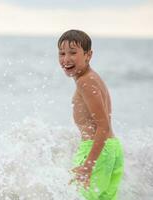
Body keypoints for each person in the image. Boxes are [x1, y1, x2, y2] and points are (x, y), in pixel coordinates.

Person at [58, 29, 124, 199]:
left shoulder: (85, 82)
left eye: (73, 52)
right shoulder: (92, 78)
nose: (66, 59)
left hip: (96, 150)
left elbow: (103, 126)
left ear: (88, 55)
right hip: (111, 148)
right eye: (62, 53)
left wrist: (89, 165)